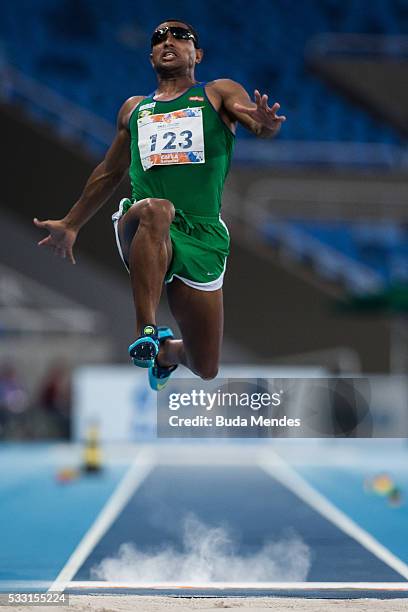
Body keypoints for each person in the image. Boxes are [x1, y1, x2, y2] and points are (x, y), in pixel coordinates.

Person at [34, 20, 286, 391]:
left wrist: (266, 125)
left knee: (206, 366)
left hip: (202, 233)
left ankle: (166, 352)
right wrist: (71, 223)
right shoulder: (134, 109)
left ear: (196, 54)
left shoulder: (217, 93)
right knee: (158, 209)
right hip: (142, 220)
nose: (168, 41)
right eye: (158, 38)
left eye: (180, 36)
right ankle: (146, 331)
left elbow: (256, 121)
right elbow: (109, 171)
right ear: (151, 55)